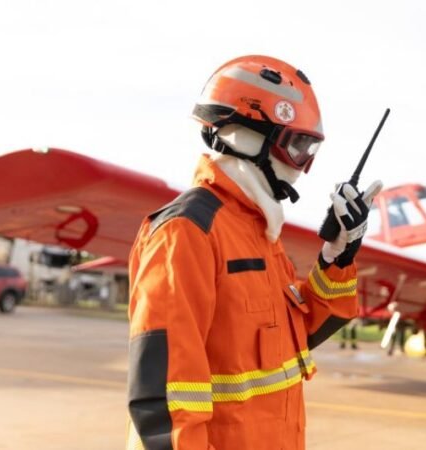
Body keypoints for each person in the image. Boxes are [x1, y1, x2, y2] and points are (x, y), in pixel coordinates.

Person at [125, 55, 382, 450]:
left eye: (310, 149)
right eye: (297, 145)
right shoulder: (187, 231)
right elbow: (165, 403)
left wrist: (337, 257)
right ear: (245, 135)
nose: (302, 167)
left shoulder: (257, 230)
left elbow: (295, 338)